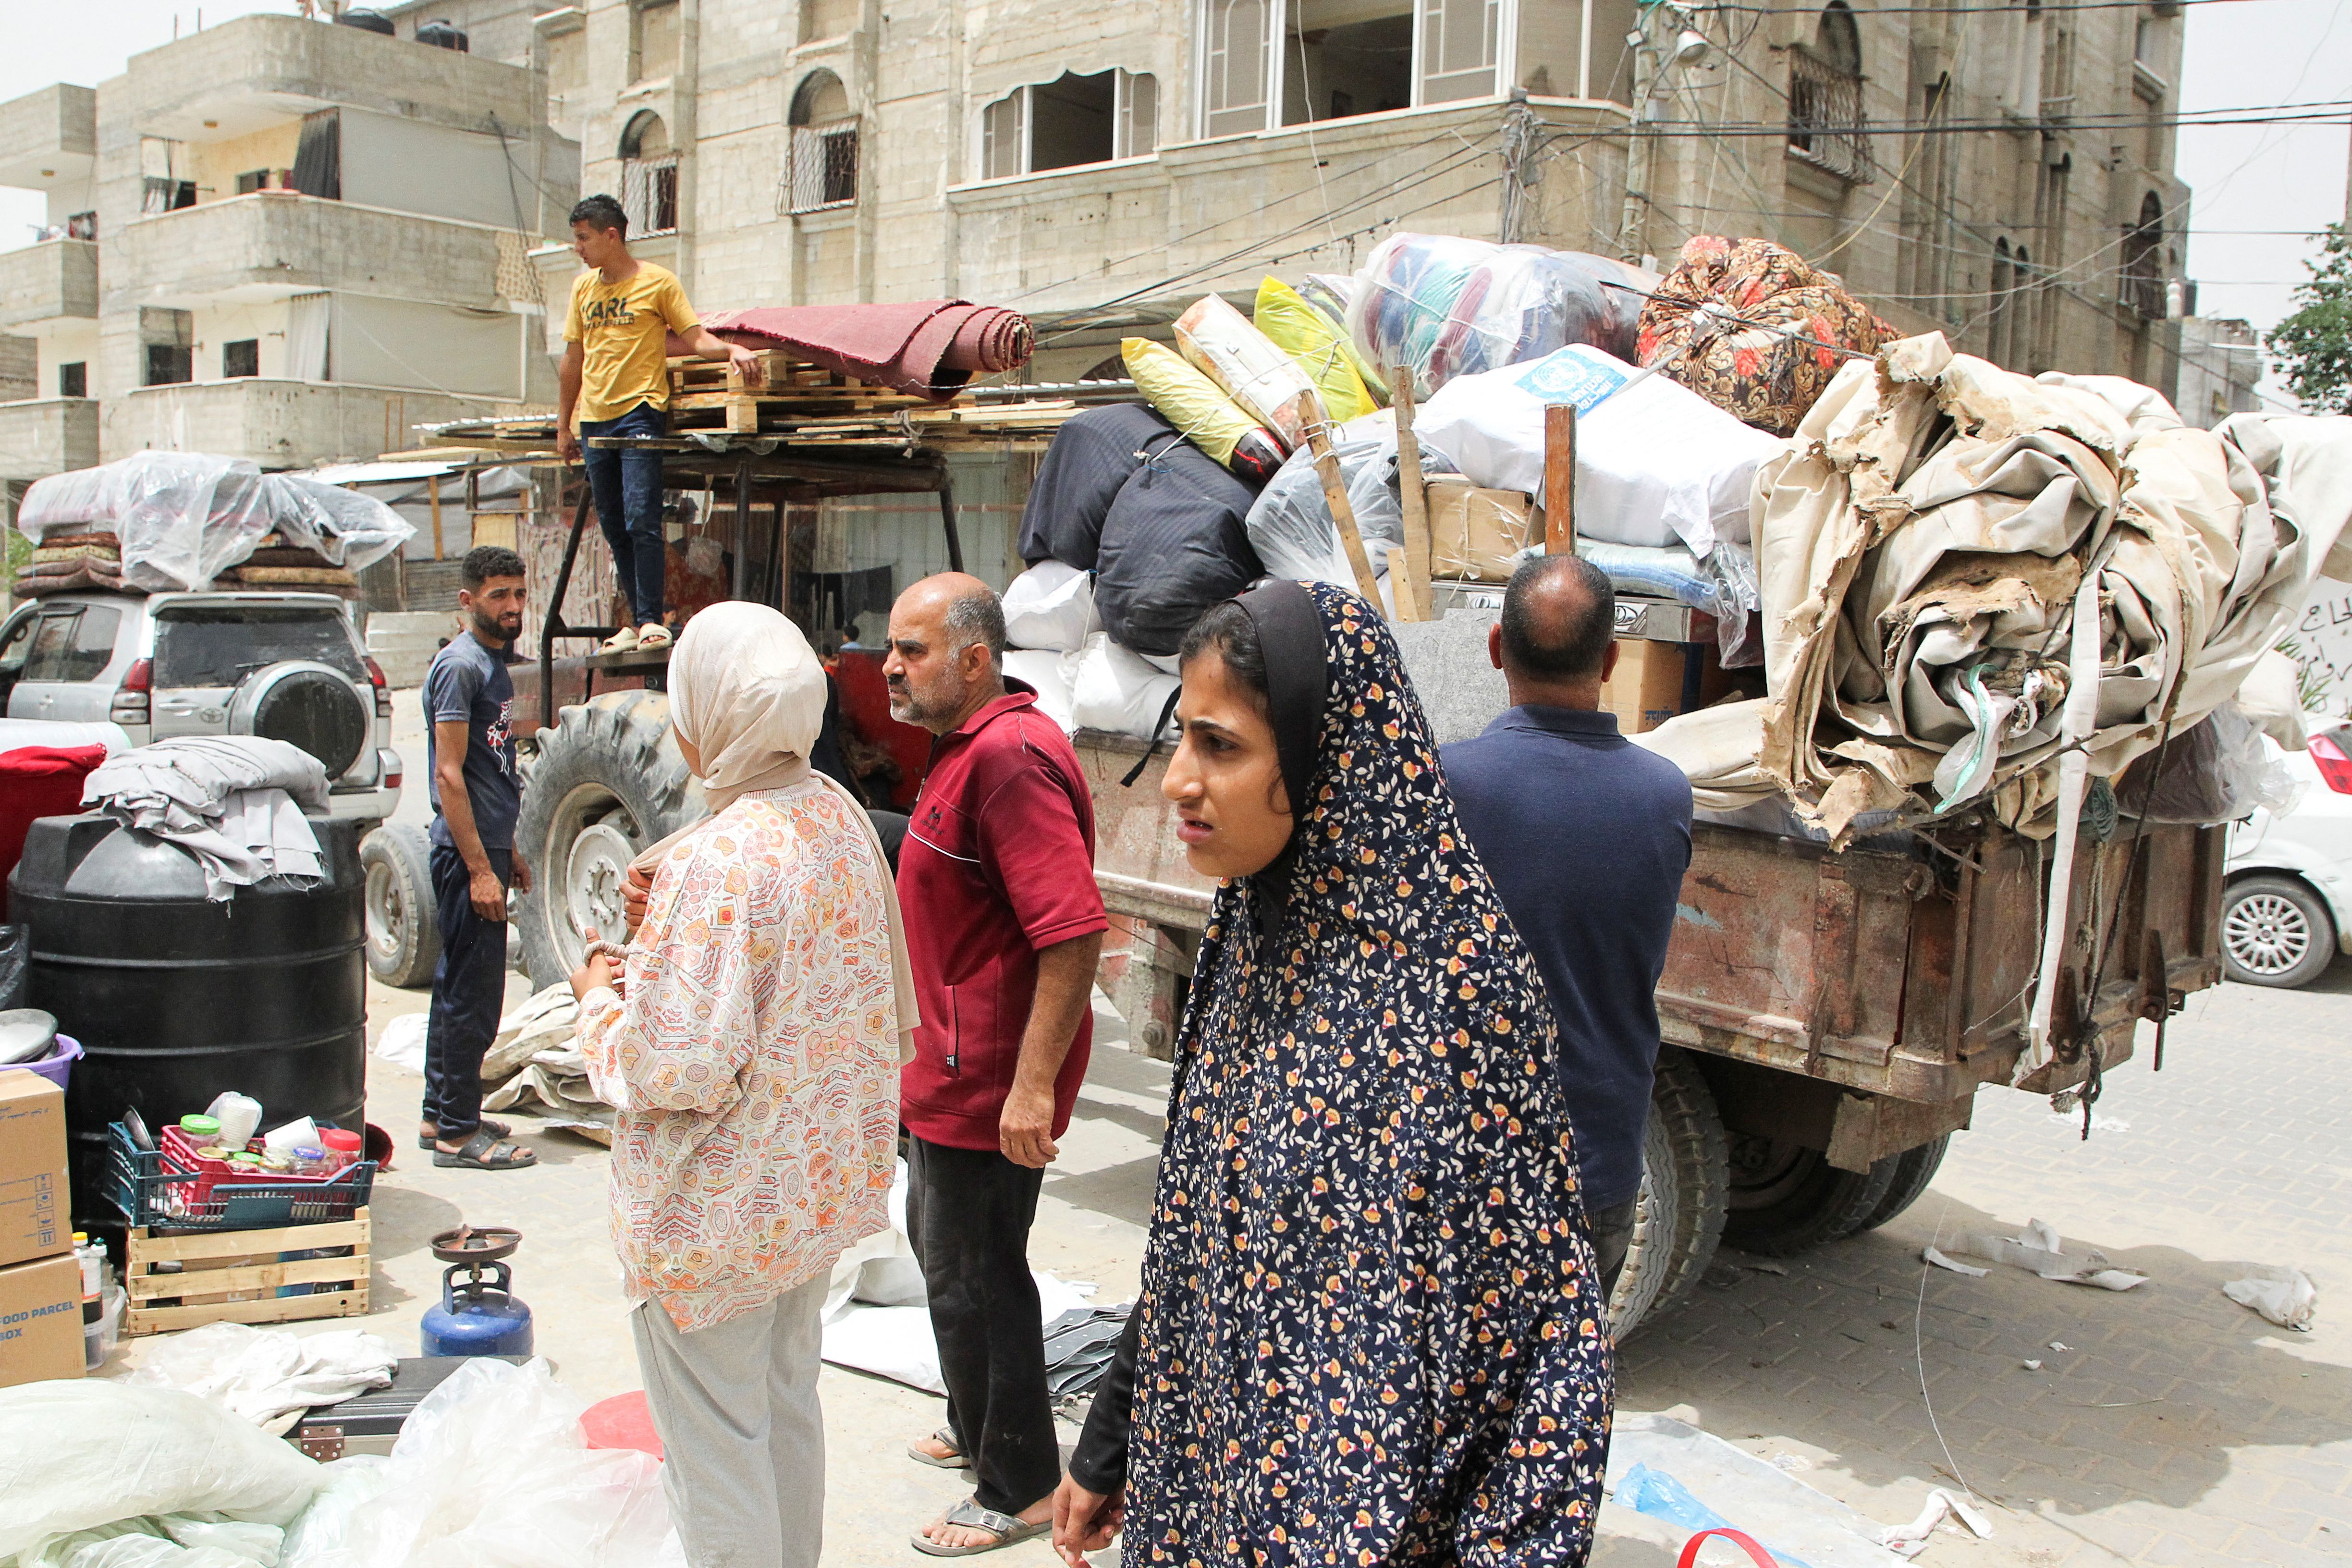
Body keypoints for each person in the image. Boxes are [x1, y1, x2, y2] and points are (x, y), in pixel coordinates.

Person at [1054, 581, 1614, 1568]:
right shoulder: (1248, 940)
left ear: (1328, 762)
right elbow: (1196, 1225)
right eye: (1182, 738)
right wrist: (1111, 1444)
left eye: (1220, 746)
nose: (1180, 780)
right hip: (1206, 1502)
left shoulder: (1459, 996)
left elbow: (1545, 1359)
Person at [571, 601, 916, 1568]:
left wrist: (598, 1003)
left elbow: (670, 1068)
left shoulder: (722, 862)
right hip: (804, 1198)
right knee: (783, 1414)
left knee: (717, 1458)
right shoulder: (836, 812)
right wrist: (669, 878)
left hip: (715, 1221)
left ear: (715, 713)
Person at [886, 573, 1107, 1557]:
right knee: (942, 1252)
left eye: (914, 650)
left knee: (981, 1274)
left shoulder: (1010, 761)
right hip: (947, 1067)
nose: (891, 666)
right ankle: (977, 1422)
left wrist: (1029, 1086)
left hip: (989, 1083)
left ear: (975, 660)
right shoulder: (965, 750)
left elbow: (1071, 933)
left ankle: (1017, 1481)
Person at [1442, 555, 1695, 1295]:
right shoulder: (1664, 795)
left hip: (1462, 1172)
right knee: (1558, 1404)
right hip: (1598, 1169)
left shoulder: (1443, 785)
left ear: (1495, 649)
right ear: (1613, 659)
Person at [555, 192, 765, 655]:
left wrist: (731, 349)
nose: (579, 248)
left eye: (584, 238)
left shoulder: (657, 283)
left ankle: (652, 619)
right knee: (612, 525)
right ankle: (635, 618)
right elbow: (574, 358)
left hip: (639, 413)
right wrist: (563, 424)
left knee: (641, 518)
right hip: (594, 419)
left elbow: (694, 337)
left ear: (612, 236)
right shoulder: (582, 289)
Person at [420, 545, 538, 1172]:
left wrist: (508, 849)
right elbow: (448, 774)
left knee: (454, 989)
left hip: (485, 848)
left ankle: (441, 1110)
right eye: (499, 595)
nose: (513, 607)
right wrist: (481, 868)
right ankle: (459, 1135)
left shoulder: (490, 666)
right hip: (466, 856)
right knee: (474, 996)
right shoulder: (461, 666)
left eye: (519, 594)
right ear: (468, 602)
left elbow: (490, 770)